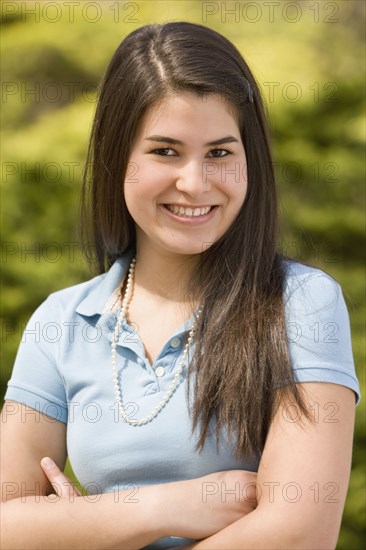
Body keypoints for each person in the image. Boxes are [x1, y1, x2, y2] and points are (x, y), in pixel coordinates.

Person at [1, 21, 360, 550]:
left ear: (249, 160)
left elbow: (299, 534)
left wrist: (80, 527)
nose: (195, 184)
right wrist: (170, 506)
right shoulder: (60, 322)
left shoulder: (301, 303)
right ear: (116, 159)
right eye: (165, 151)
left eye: (219, 153)